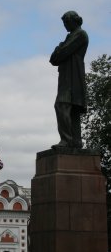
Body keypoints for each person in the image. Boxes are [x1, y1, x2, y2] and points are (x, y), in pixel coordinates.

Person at [50, 11, 89, 149]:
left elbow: (61, 54)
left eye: (66, 22)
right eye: (64, 23)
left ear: (75, 21)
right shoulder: (70, 36)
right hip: (67, 76)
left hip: (73, 76)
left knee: (62, 105)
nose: (65, 26)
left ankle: (67, 140)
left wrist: (59, 47)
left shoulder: (80, 34)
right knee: (71, 109)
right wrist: (59, 49)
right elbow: (53, 59)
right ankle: (76, 141)